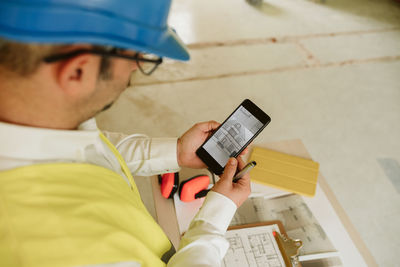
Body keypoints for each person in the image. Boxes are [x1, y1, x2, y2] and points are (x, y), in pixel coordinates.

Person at [0, 1, 251, 266]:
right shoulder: (62, 246)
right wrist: (212, 222)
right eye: (137, 56)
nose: (135, 67)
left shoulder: (41, 123)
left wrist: (176, 151)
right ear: (77, 71)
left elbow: (90, 151)